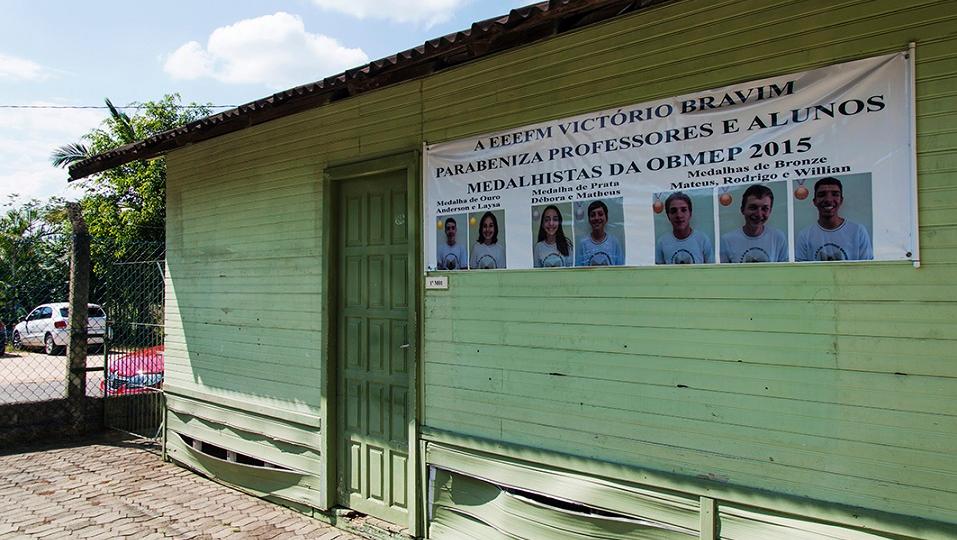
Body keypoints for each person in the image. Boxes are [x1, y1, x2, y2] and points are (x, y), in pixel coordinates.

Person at [796, 177, 873, 261]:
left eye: (835, 194)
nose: (828, 199)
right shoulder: (804, 235)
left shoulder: (858, 231)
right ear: (814, 201)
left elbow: (867, 270)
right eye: (822, 195)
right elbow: (802, 273)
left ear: (841, 200)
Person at [720, 184, 788, 263]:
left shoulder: (778, 238)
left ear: (770, 211)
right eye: (753, 207)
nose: (759, 214)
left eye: (765, 209)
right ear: (742, 210)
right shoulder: (727, 240)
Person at [655, 192, 713, 264]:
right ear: (668, 216)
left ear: (690, 213)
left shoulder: (703, 240)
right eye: (673, 211)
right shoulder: (661, 243)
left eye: (683, 210)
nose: (679, 215)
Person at [575, 200, 624, 266]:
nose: (597, 218)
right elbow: (578, 271)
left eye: (600, 214)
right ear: (589, 219)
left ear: (606, 218)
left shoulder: (614, 242)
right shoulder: (583, 244)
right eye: (593, 215)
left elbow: (621, 269)